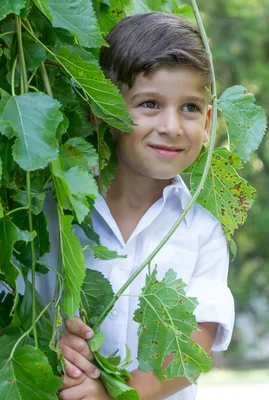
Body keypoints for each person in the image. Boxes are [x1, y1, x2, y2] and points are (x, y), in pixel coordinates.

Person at [38, 12, 235, 400]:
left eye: (191, 108)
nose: (173, 126)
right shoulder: (54, 210)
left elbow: (193, 349)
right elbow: (24, 314)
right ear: (103, 111)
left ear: (208, 119)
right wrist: (55, 348)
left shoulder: (203, 229)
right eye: (149, 104)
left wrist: (113, 396)